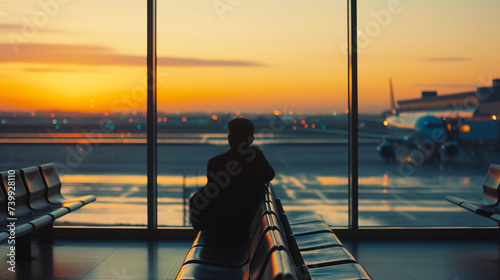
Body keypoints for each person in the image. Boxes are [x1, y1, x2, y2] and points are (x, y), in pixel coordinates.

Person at [189, 117, 275, 244]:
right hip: (247, 221)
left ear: (230, 138)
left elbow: (212, 194)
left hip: (224, 223)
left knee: (196, 202)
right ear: (251, 138)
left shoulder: (216, 163)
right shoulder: (256, 157)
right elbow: (270, 174)